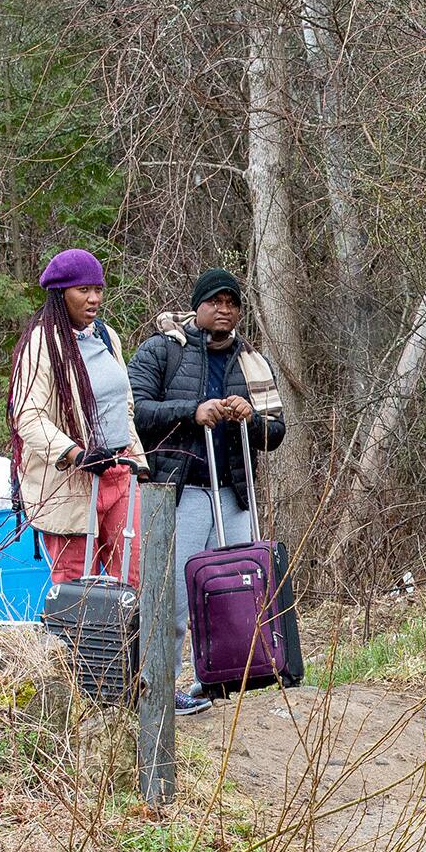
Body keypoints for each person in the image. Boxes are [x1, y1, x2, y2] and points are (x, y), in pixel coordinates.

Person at [128, 268, 288, 717]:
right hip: (181, 493)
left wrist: (250, 418)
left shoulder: (250, 361)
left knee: (236, 592)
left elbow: (276, 433)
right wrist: (191, 412)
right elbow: (135, 411)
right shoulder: (163, 350)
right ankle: (158, 689)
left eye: (232, 303)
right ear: (197, 305)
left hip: (234, 494)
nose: (225, 310)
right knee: (173, 598)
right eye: (216, 301)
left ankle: (219, 679)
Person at [9, 248, 148, 590]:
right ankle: (76, 646)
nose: (94, 298)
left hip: (119, 472)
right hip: (71, 481)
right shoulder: (41, 343)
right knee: (75, 588)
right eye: (83, 290)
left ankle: (126, 645)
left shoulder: (106, 336)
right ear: (61, 293)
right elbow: (28, 415)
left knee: (130, 581)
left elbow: (122, 404)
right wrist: (76, 454)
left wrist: (137, 460)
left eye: (98, 289)